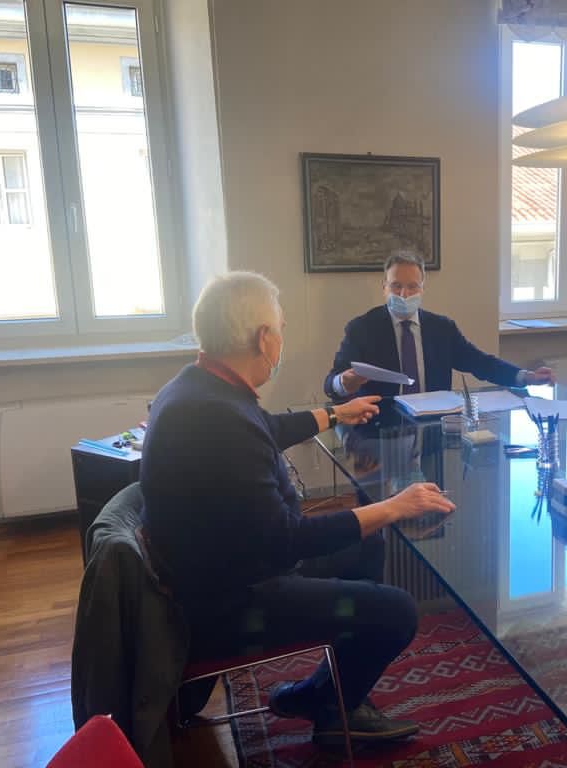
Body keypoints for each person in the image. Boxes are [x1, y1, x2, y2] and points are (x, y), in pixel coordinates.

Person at [140, 271, 455, 747]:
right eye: (282, 328)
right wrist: (392, 506)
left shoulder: (199, 388)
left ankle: (328, 698)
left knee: (368, 547)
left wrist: (334, 413)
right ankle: (324, 704)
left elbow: (263, 427)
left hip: (221, 570)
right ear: (264, 339)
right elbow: (287, 540)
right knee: (397, 612)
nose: (282, 338)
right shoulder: (215, 416)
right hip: (228, 603)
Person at [325, 250, 553, 400]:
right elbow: (331, 384)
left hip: (433, 429)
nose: (404, 294)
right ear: (384, 287)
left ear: (423, 288)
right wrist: (343, 383)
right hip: (381, 432)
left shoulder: (442, 328)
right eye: (396, 286)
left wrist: (525, 377)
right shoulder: (361, 329)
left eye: (412, 286)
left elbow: (481, 363)